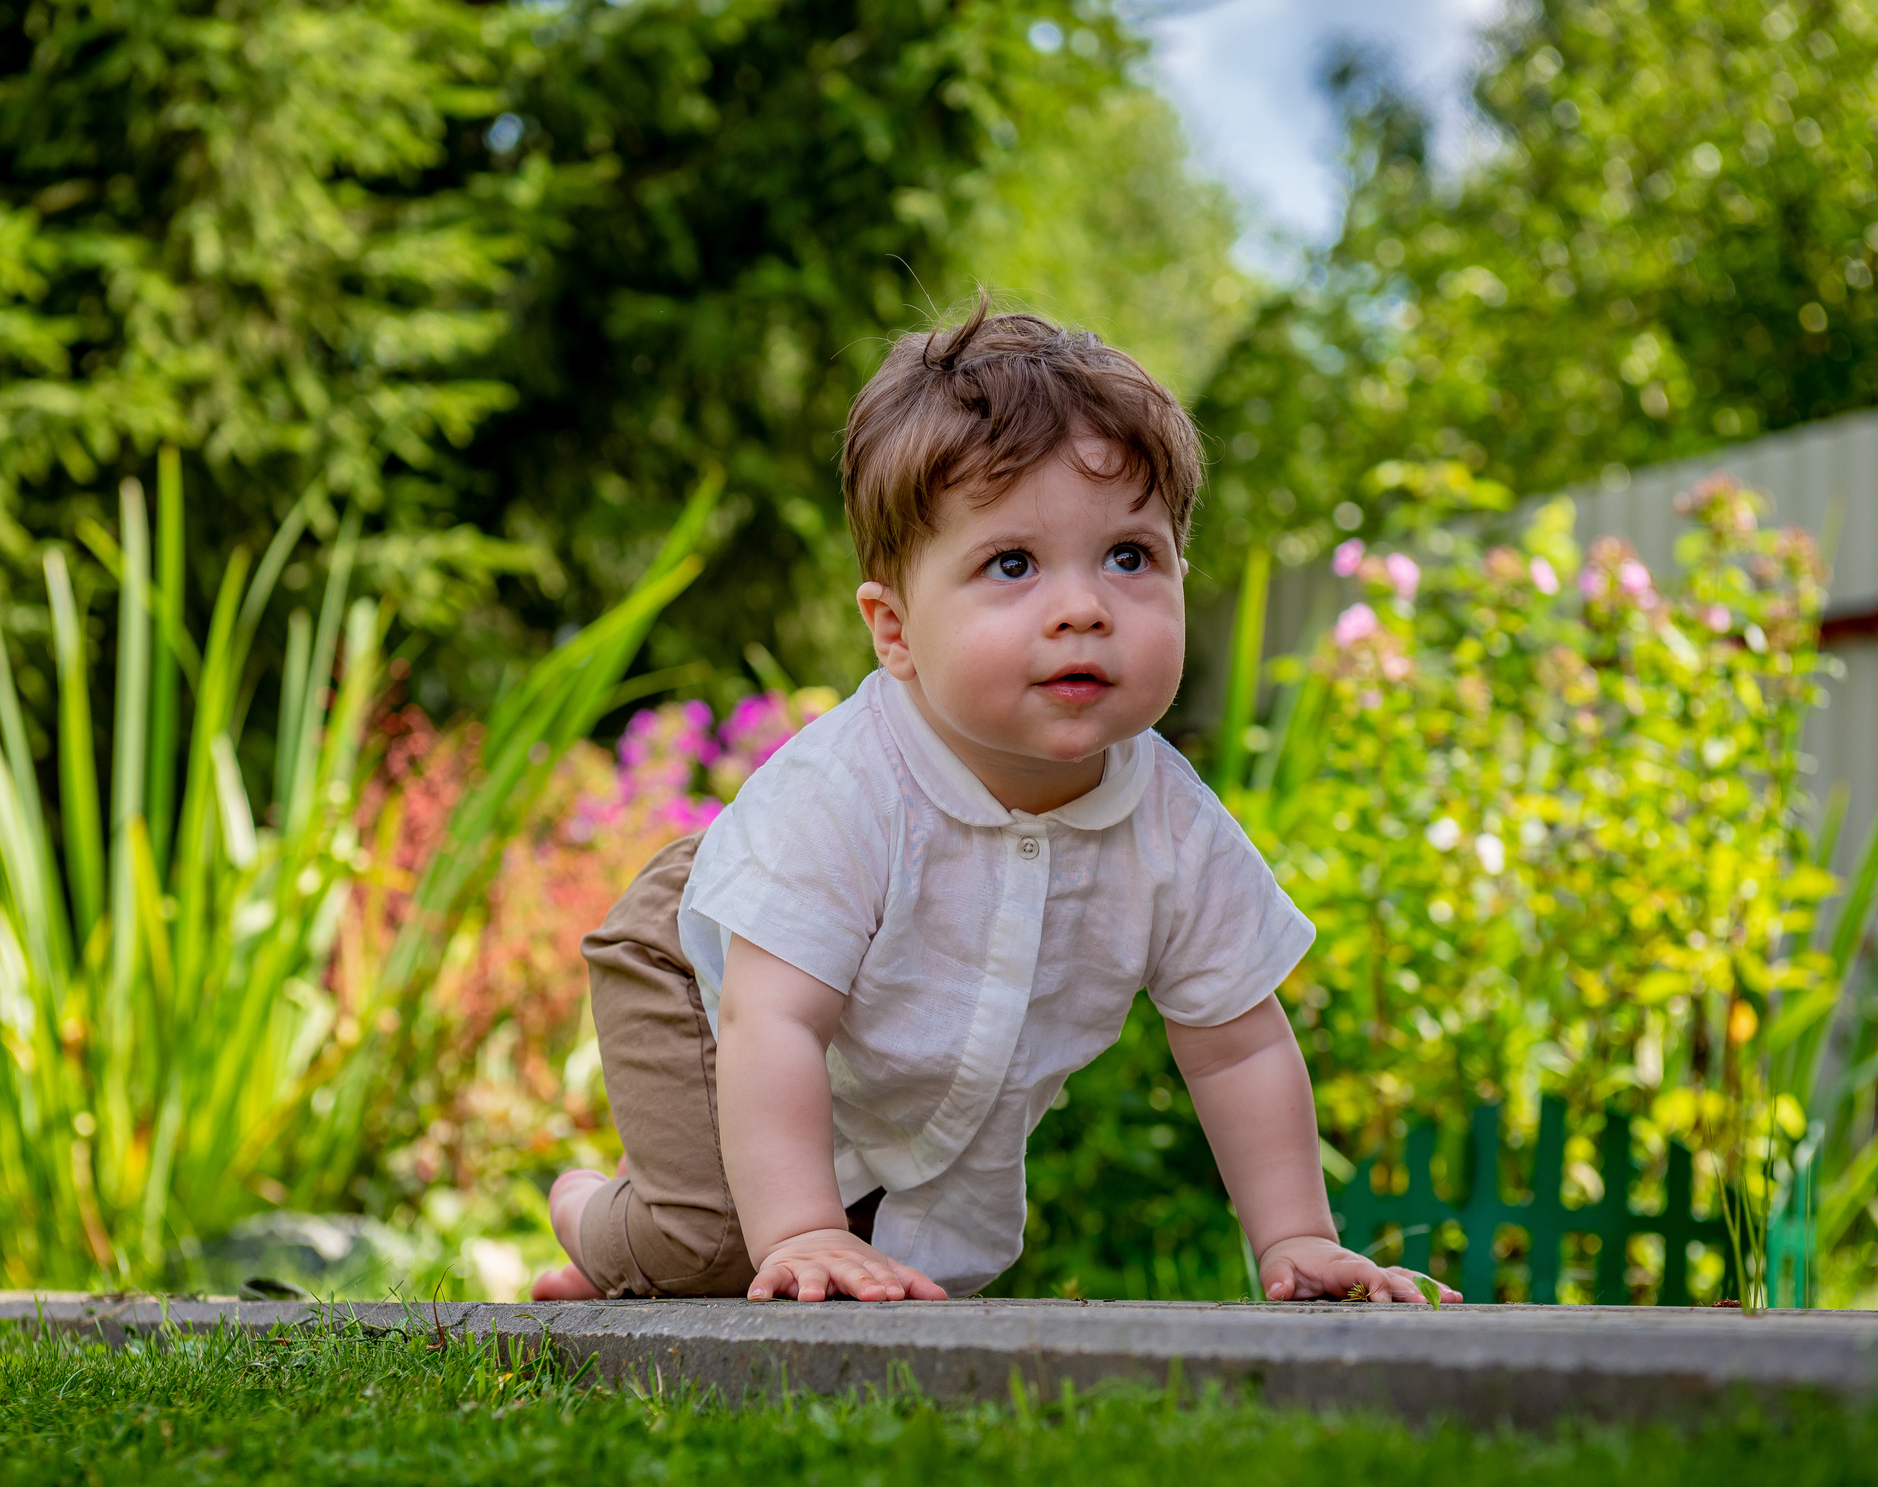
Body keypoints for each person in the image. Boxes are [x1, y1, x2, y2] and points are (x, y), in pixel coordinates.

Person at [531, 300, 1455, 1305]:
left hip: (849, 1048)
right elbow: (773, 1022)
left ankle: (669, 1249)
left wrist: (1296, 1236)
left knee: (920, 1264)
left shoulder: (1173, 830)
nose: (1083, 604)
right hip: (711, 960)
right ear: (894, 631)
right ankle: (595, 1212)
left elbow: (1235, 1038)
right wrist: (801, 1230)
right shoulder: (843, 795)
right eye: (1012, 563)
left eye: (1129, 555)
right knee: (721, 1240)